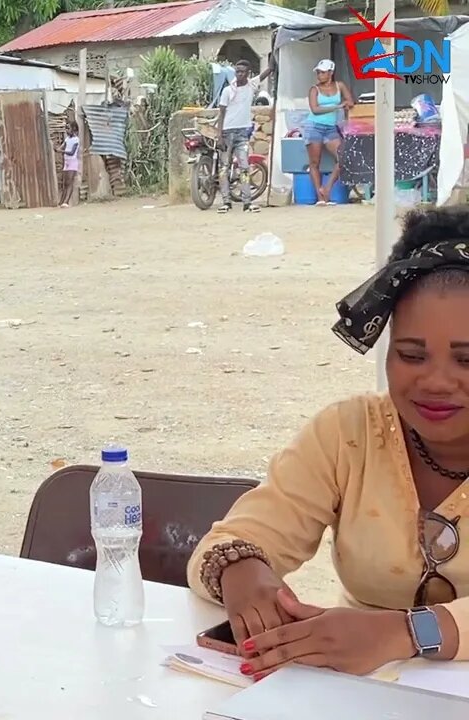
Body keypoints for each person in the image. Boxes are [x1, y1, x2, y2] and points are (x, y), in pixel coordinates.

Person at [186, 206, 469, 680]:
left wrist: (405, 633)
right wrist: (243, 571)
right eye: (410, 355)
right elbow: (235, 538)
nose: (435, 382)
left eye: (467, 360)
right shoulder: (349, 434)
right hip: (361, 694)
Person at [215, 59, 271, 214]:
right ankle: (226, 201)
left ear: (248, 73)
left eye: (242, 72)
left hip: (242, 132)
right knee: (224, 168)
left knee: (244, 167)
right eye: (237, 71)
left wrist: (274, 50)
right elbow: (221, 113)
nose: (239, 74)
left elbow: (269, 70)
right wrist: (219, 135)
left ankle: (247, 203)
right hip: (227, 132)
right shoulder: (228, 91)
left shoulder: (251, 85)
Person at [305, 59, 354, 205]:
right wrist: (338, 107)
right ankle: (321, 198)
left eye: (322, 72)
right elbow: (315, 109)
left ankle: (326, 189)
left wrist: (345, 104)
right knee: (314, 162)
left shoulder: (340, 86)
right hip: (314, 126)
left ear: (331, 73)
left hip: (331, 128)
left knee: (343, 157)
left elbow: (350, 101)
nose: (319, 75)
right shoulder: (314, 89)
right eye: (318, 72)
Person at [60, 121, 80, 208]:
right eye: (66, 129)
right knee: (65, 183)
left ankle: (66, 201)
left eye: (68, 128)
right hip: (66, 162)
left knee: (69, 182)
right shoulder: (67, 139)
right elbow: (62, 146)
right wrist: (57, 148)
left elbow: (71, 152)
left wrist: (61, 151)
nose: (66, 131)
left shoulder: (76, 140)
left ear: (73, 129)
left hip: (72, 162)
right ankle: (62, 201)